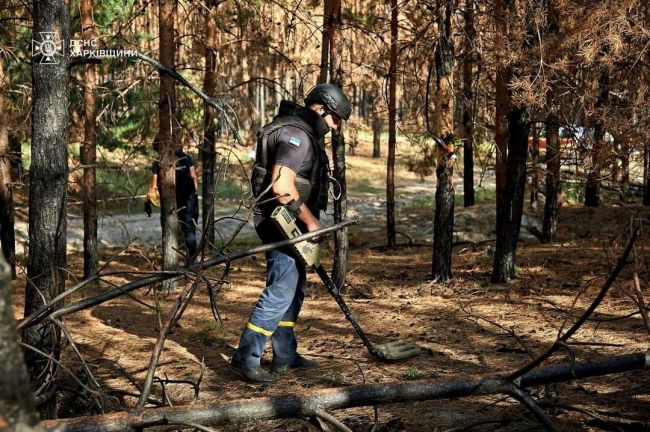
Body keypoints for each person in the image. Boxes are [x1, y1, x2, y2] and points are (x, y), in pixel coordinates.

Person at [230, 84, 352, 384]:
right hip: (282, 224)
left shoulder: (297, 131)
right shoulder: (296, 136)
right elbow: (282, 187)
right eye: (335, 118)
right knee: (281, 289)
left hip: (288, 222)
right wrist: (311, 222)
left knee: (294, 288)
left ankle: (285, 354)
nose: (336, 126)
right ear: (320, 108)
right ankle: (245, 357)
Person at [145, 139, 199, 263]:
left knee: (169, 229)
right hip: (188, 199)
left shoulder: (159, 162)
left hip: (170, 200)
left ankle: (170, 261)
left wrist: (148, 200)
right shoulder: (186, 158)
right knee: (189, 230)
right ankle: (192, 261)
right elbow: (194, 178)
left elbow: (153, 186)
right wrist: (192, 193)